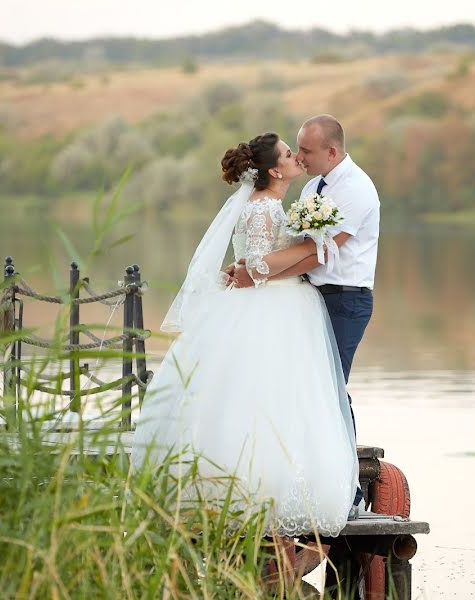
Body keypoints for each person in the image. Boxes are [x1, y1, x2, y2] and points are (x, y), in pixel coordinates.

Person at [131, 132, 360, 537]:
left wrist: (278, 259)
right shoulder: (266, 207)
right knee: (268, 395)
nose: (295, 158)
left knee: (258, 393)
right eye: (290, 154)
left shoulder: (266, 204)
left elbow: (249, 262)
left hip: (272, 301)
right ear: (275, 170)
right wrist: (305, 254)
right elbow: (256, 263)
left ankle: (253, 481)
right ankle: (261, 488)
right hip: (275, 306)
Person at [227, 115, 380, 515]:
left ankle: (347, 493)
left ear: (331, 151)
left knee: (330, 390)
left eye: (306, 151)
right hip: (309, 296)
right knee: (302, 391)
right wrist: (249, 268)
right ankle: (296, 480)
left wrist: (253, 273)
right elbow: (293, 245)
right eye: (295, 151)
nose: (301, 157)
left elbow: (317, 252)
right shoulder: (314, 185)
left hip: (345, 299)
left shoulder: (357, 190)